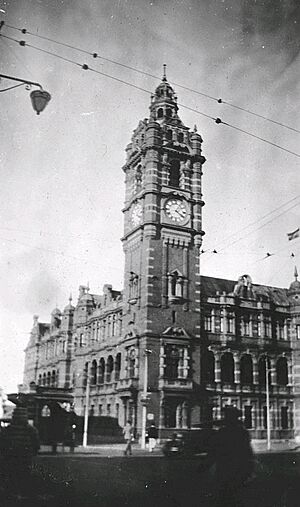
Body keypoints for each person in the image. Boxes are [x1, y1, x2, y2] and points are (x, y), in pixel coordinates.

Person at [209, 406, 254, 507]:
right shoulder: (243, 433)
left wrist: (204, 466)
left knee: (225, 497)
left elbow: (213, 452)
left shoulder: (222, 432)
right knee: (235, 497)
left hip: (225, 470)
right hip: (237, 471)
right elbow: (248, 453)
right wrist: (249, 470)